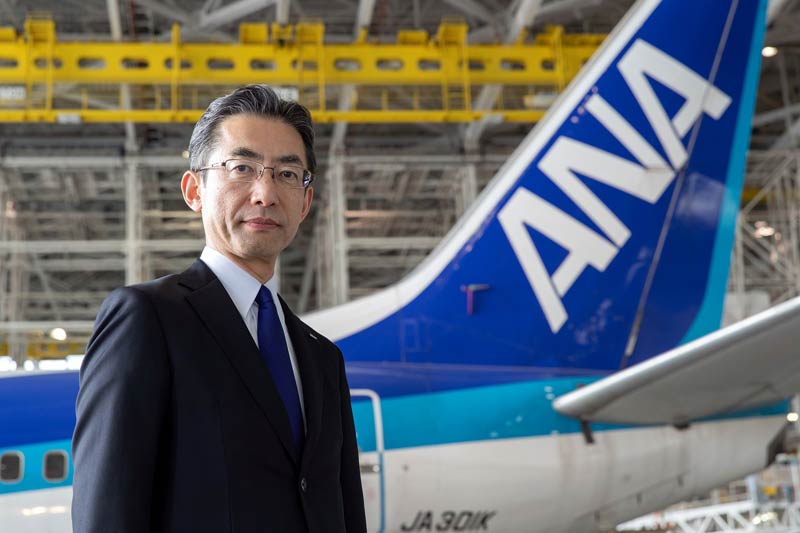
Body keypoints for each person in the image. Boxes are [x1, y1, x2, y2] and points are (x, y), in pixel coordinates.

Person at [72, 85, 367, 533]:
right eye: (242, 168)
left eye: (288, 174)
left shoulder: (322, 357)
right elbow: (108, 511)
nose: (266, 192)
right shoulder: (147, 319)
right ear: (194, 190)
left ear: (305, 202)